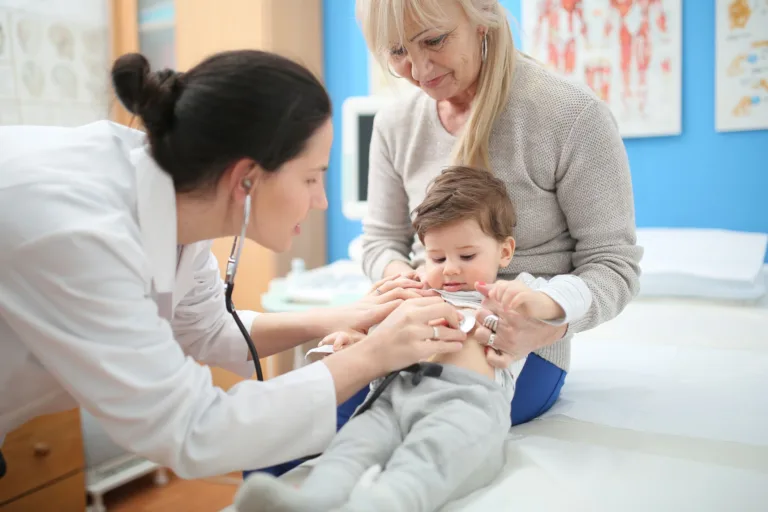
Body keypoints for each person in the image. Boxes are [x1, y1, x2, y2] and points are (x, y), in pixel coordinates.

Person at [0, 49, 470, 480]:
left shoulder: (174, 202)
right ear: (245, 179)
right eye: (311, 178)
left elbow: (208, 330)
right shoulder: (83, 232)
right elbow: (193, 429)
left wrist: (349, 317)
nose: (321, 201)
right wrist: (374, 354)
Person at [349, 0, 643, 430]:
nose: (418, 68)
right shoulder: (395, 125)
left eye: (434, 40)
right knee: (311, 408)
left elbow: (614, 266)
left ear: (482, 16)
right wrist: (408, 283)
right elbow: (381, 241)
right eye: (397, 52)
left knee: (401, 416)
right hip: (422, 321)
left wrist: (547, 327)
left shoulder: (571, 117)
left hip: (518, 349)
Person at [232, 166, 592, 512]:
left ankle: (377, 506)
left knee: (424, 460)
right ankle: (313, 499)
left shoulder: (510, 294)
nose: (450, 267)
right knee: (350, 447)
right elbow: (377, 333)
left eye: (467, 255)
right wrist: (348, 339)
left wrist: (540, 302)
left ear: (505, 251)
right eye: (437, 257)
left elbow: (579, 290)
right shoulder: (416, 290)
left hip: (466, 404)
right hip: (393, 393)